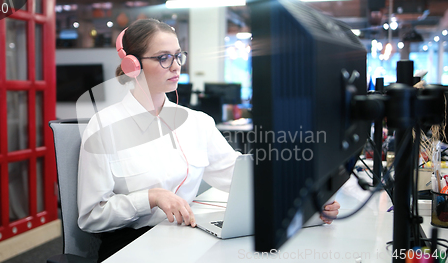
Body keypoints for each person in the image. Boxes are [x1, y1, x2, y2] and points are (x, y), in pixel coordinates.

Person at [77, 18, 340, 262]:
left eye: (178, 55)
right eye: (164, 58)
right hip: (132, 244)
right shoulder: (104, 127)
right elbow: (91, 217)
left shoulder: (197, 122)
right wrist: (150, 197)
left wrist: (306, 199)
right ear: (133, 66)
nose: (177, 65)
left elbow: (240, 176)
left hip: (182, 238)